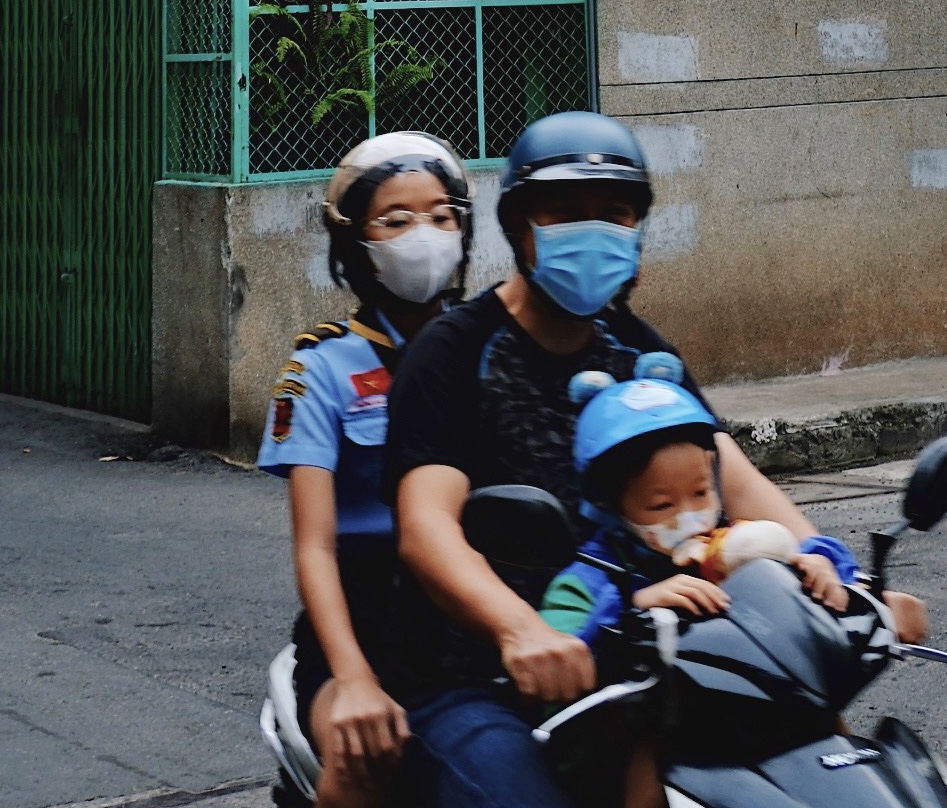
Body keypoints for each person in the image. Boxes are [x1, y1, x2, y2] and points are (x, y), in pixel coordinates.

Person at [386, 111, 904, 808]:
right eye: (564, 212)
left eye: (614, 213)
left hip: (651, 658)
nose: (591, 231)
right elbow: (427, 530)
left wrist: (831, 574)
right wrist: (522, 629)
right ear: (519, 229)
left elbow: (734, 482)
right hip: (485, 676)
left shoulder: (637, 349)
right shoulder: (453, 352)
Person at [537, 360, 887, 808]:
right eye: (661, 503)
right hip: (659, 733)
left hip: (751, 705)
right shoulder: (593, 575)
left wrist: (821, 569)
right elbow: (564, 644)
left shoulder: (735, 545)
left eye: (701, 493)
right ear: (610, 505)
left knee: (822, 717)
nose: (688, 515)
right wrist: (634, 607)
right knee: (645, 749)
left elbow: (801, 561)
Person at [259, 131, 472, 805]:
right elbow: (316, 547)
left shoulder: (491, 348)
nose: (425, 235)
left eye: (442, 216)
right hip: (364, 621)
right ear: (357, 242)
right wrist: (352, 675)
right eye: (397, 219)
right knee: (362, 756)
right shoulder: (319, 368)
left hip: (476, 605)